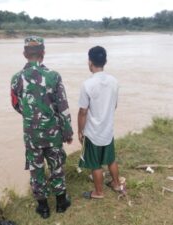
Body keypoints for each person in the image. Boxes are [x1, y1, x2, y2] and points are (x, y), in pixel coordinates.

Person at [10, 36, 73, 219]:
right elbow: (63, 106)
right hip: (53, 133)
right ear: (43, 54)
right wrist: (67, 131)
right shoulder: (54, 76)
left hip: (32, 134)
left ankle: (43, 208)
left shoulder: (16, 78)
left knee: (36, 168)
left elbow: (15, 104)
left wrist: (30, 114)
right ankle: (61, 203)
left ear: (24, 54)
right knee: (57, 165)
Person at [77, 46, 121, 199]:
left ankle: (98, 192)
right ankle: (116, 184)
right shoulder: (114, 81)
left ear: (90, 62)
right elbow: (114, 105)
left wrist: (80, 131)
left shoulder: (87, 84)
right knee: (111, 159)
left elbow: (83, 112)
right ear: (105, 61)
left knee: (95, 164)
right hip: (108, 129)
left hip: (93, 132)